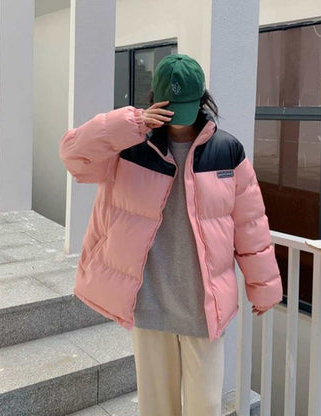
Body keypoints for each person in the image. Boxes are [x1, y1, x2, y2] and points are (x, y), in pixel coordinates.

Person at [59, 53, 283, 416]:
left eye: (188, 107)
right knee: (157, 407)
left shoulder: (227, 150)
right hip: (150, 299)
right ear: (156, 101)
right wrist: (131, 122)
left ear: (202, 99)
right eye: (172, 109)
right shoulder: (129, 147)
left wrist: (264, 286)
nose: (180, 118)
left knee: (205, 406)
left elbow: (250, 223)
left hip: (202, 304)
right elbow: (73, 155)